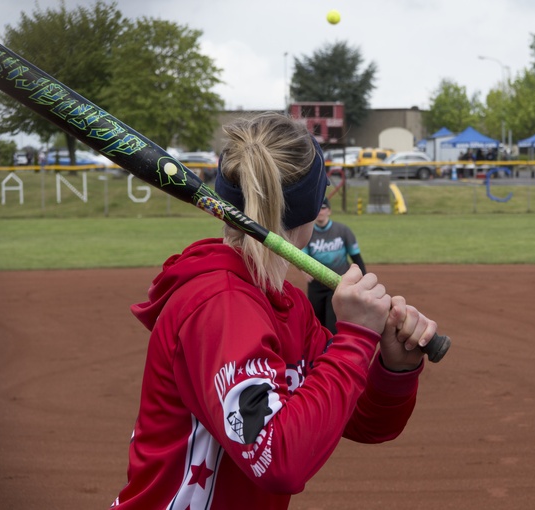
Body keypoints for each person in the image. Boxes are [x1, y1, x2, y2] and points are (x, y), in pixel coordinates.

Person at [112, 112, 437, 509]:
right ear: (311, 207)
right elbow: (278, 460)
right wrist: (354, 338)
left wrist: (394, 368)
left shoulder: (283, 301)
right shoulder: (221, 305)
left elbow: (361, 418)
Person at [303, 196, 366, 334]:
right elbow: (303, 257)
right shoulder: (308, 232)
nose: (320, 211)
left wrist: (364, 280)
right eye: (318, 208)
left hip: (338, 282)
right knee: (316, 323)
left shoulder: (342, 230)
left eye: (324, 208)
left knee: (333, 324)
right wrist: (304, 270)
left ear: (329, 211)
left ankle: (331, 350)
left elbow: (356, 257)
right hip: (316, 284)